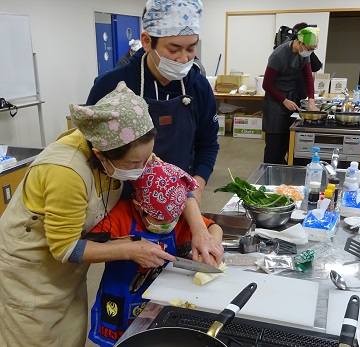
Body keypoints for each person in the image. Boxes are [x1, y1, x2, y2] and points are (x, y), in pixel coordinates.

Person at [0, 82, 174, 346]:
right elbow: (65, 249)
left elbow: (173, 179)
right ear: (99, 154)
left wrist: (200, 231)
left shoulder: (128, 144)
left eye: (145, 159)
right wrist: (129, 249)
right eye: (133, 165)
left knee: (71, 337)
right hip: (30, 275)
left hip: (67, 276)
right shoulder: (66, 173)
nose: (142, 169)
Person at [86, 0, 219, 204]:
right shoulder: (110, 85)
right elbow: (88, 147)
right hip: (118, 202)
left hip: (176, 201)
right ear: (147, 41)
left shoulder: (199, 88)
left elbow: (207, 144)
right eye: (173, 50)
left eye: (191, 49)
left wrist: (198, 185)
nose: (184, 59)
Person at [88, 156, 222, 346]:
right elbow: (89, 246)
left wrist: (211, 245)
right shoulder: (119, 216)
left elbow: (214, 228)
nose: (168, 225)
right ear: (138, 206)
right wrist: (126, 249)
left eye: (173, 219)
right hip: (121, 299)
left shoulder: (180, 218)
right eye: (159, 220)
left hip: (162, 301)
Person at [262, 27, 320, 164]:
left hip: (292, 100)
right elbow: (266, 85)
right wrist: (283, 100)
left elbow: (308, 76)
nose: (310, 52)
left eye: (313, 50)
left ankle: (283, 178)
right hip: (275, 103)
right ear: (299, 42)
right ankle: (269, 176)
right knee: (274, 147)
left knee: (288, 142)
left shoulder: (303, 55)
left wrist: (311, 99)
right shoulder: (278, 56)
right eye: (309, 48)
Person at [291, 22, 323, 103]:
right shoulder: (287, 51)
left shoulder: (305, 53)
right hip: (288, 97)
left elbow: (315, 68)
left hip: (300, 95)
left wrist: (311, 99)